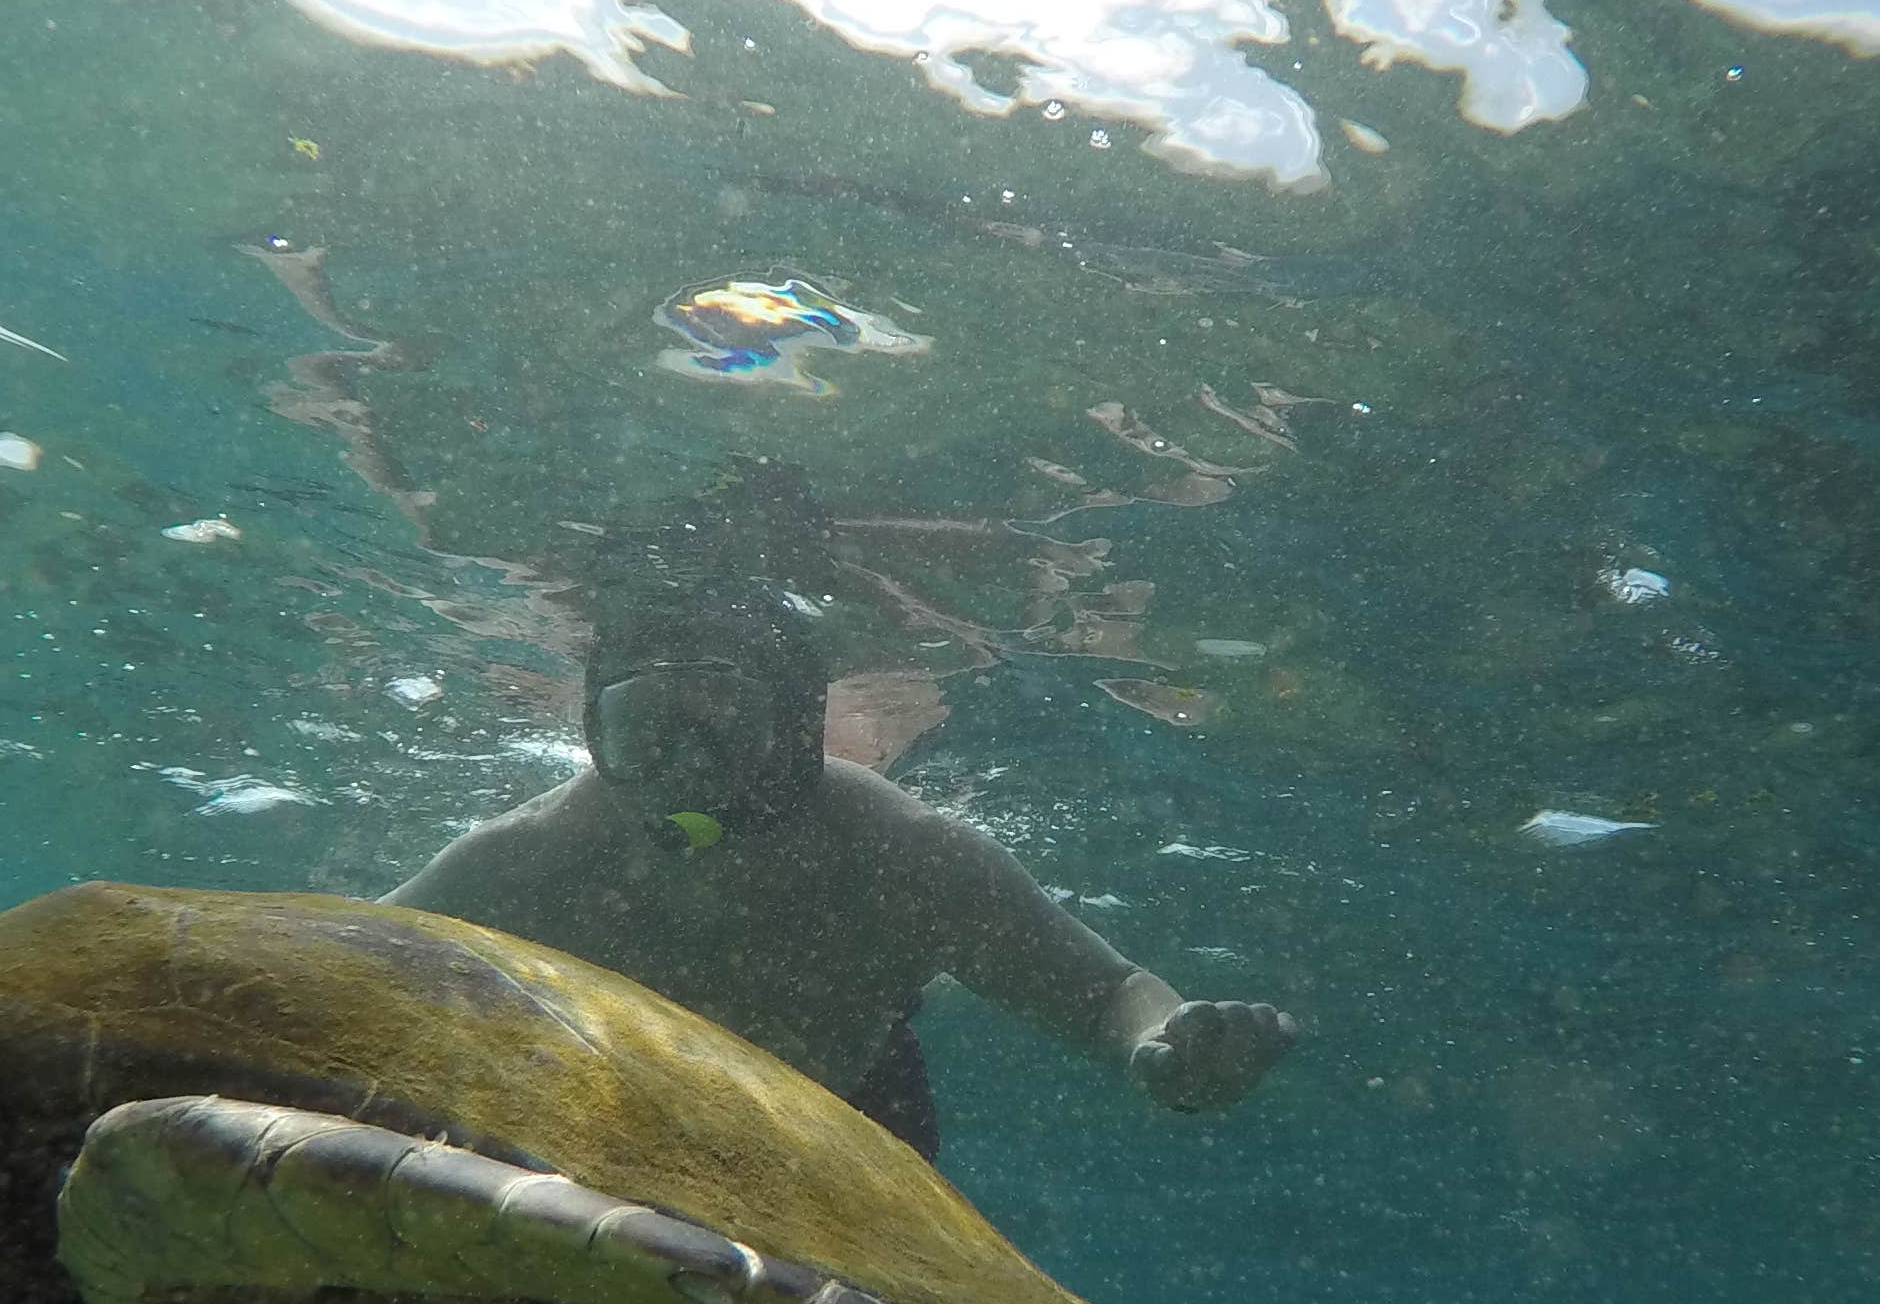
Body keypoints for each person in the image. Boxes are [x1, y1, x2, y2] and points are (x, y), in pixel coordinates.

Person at [386, 464, 1294, 1162]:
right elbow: (346, 958)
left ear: (794, 726)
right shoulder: (526, 858)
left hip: (853, 1128)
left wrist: (1163, 1046)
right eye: (644, 728)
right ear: (592, 730)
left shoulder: (908, 855)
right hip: (590, 1146)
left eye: (718, 720)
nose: (681, 769)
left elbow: (1105, 995)